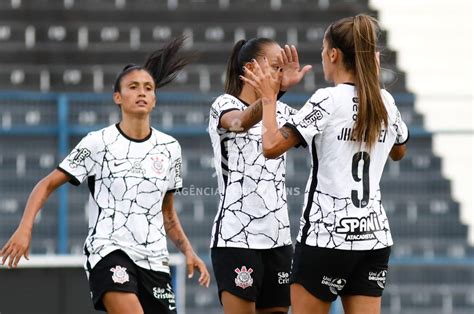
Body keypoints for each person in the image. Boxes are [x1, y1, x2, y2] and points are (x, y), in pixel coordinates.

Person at [0, 36, 210, 314]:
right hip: (108, 253)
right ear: (118, 97)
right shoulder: (98, 142)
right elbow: (47, 184)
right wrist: (25, 228)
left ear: (155, 99)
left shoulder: (170, 148)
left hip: (154, 261)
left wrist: (188, 251)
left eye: (148, 88)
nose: (142, 93)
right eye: (133, 87)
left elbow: (167, 213)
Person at [241, 15, 409, 314]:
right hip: (373, 238)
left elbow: (271, 147)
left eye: (323, 50)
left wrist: (269, 99)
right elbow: (399, 152)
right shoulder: (386, 101)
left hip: (326, 237)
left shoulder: (327, 99)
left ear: (333, 54)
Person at [208, 38, 311, 314]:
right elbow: (239, 122)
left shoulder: (283, 111)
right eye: (275, 67)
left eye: (282, 69)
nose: (281, 73)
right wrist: (271, 96)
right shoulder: (224, 104)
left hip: (278, 239)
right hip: (236, 238)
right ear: (251, 67)